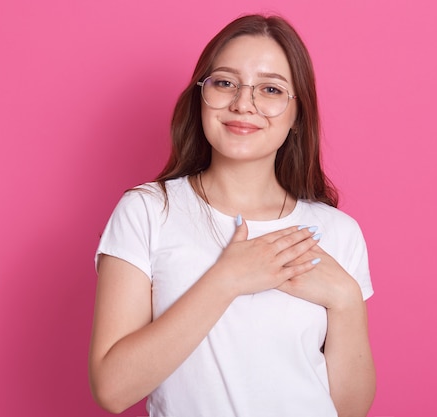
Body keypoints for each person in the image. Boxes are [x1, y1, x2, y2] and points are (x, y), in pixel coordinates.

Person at [89, 14, 375, 417]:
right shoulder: (148, 211)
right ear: (200, 96)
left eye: (271, 89)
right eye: (225, 82)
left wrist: (347, 301)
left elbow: (348, 411)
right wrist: (226, 280)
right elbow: (112, 389)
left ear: (298, 117)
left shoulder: (337, 233)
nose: (243, 103)